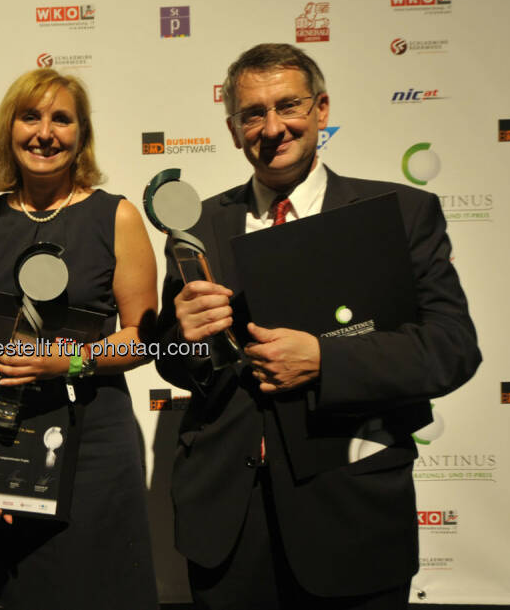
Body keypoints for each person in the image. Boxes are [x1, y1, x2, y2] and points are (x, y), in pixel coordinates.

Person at [155, 43, 480, 609]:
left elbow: (451, 348)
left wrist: (327, 361)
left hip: (350, 515)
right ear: (233, 129)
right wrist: (180, 336)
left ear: (322, 109)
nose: (273, 127)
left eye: (289, 106)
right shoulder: (200, 223)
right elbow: (178, 366)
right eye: (252, 114)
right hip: (228, 521)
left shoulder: (400, 213)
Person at [0, 68, 160, 609]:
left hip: (94, 440)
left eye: (61, 119)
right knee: (22, 592)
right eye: (31, 117)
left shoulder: (116, 216)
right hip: (6, 436)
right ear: (10, 128)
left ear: (81, 134)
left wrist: (65, 363)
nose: (45, 132)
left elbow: (144, 339)